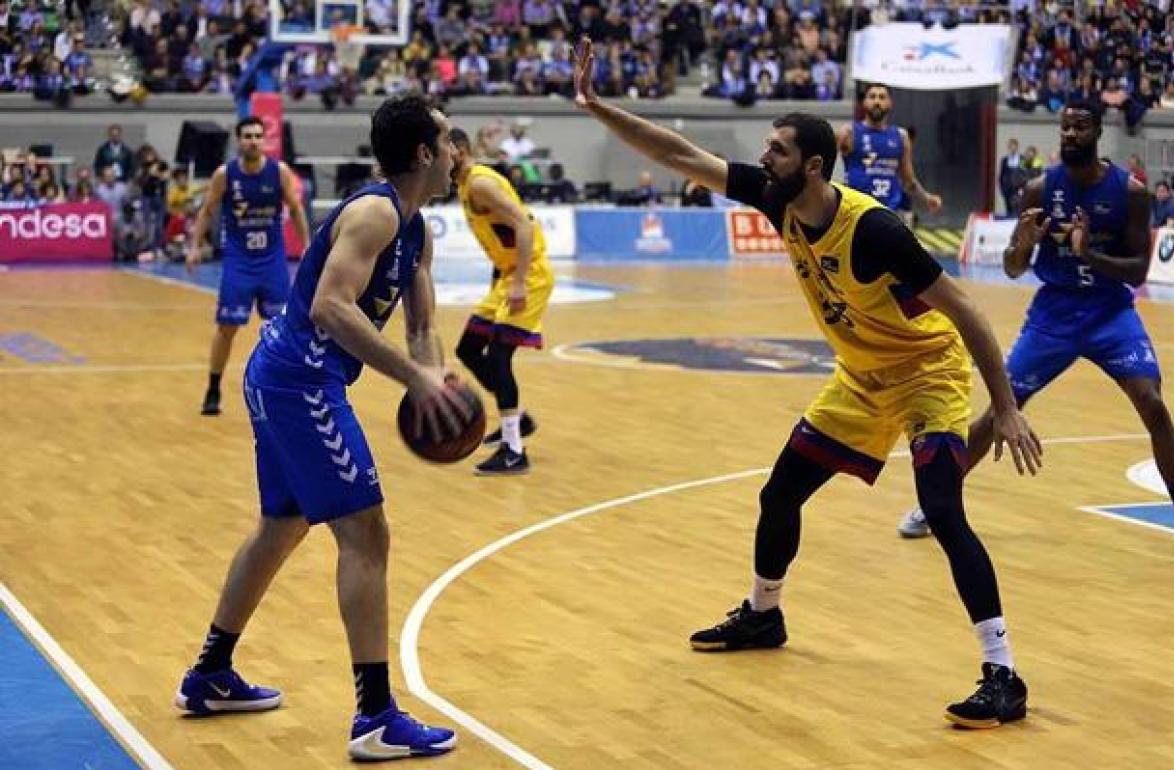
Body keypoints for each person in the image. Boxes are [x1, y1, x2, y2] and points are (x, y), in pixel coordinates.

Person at [573, 37, 1039, 728]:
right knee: (780, 492)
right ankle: (764, 615)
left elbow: (966, 309)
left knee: (941, 508)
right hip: (861, 378)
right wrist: (596, 106)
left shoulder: (875, 232)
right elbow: (680, 155)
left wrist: (1004, 406)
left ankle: (1004, 673)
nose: (765, 158)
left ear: (813, 166)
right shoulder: (775, 198)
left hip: (926, 374)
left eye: (778, 150)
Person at [174, 92, 465, 760]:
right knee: (366, 532)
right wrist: (412, 379)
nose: (456, 153)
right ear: (424, 152)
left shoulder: (415, 230)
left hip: (281, 375)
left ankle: (210, 673)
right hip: (299, 379)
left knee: (281, 526)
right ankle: (375, 718)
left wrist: (435, 377)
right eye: (448, 140)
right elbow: (332, 306)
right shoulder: (374, 213)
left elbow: (422, 326)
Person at [896, 101, 1174, 568]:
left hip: (1110, 312)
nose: (1070, 133)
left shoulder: (1131, 192)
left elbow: (1138, 271)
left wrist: (1089, 255)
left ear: (1097, 132)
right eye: (1065, 127)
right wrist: (1022, 246)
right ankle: (936, 504)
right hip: (1053, 315)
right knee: (1001, 412)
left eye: (1080, 127)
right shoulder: (1039, 189)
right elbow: (1013, 268)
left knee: (1153, 403)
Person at [448, 127, 555, 475]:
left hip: (530, 275)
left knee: (498, 355)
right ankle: (518, 419)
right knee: (468, 349)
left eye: (441, 150)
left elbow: (523, 225)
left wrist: (520, 282)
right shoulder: (465, 184)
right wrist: (501, 279)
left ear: (459, 150)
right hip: (508, 275)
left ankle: (513, 450)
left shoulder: (479, 183)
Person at [187, 116, 310, 416]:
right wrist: (194, 247)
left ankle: (289, 390)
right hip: (239, 262)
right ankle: (213, 388)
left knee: (284, 329)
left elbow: (296, 209)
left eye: (258, 136)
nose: (253, 141)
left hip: (272, 262)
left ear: (264, 140)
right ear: (238, 140)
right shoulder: (225, 174)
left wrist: (307, 246)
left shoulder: (278, 172)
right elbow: (207, 211)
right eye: (248, 136)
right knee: (227, 327)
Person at [838, 83, 942, 226]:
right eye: (872, 97)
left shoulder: (901, 136)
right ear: (864, 102)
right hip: (856, 215)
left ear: (890, 103)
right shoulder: (849, 133)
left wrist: (926, 198)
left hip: (889, 215)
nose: (877, 101)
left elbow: (908, 181)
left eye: (882, 97)